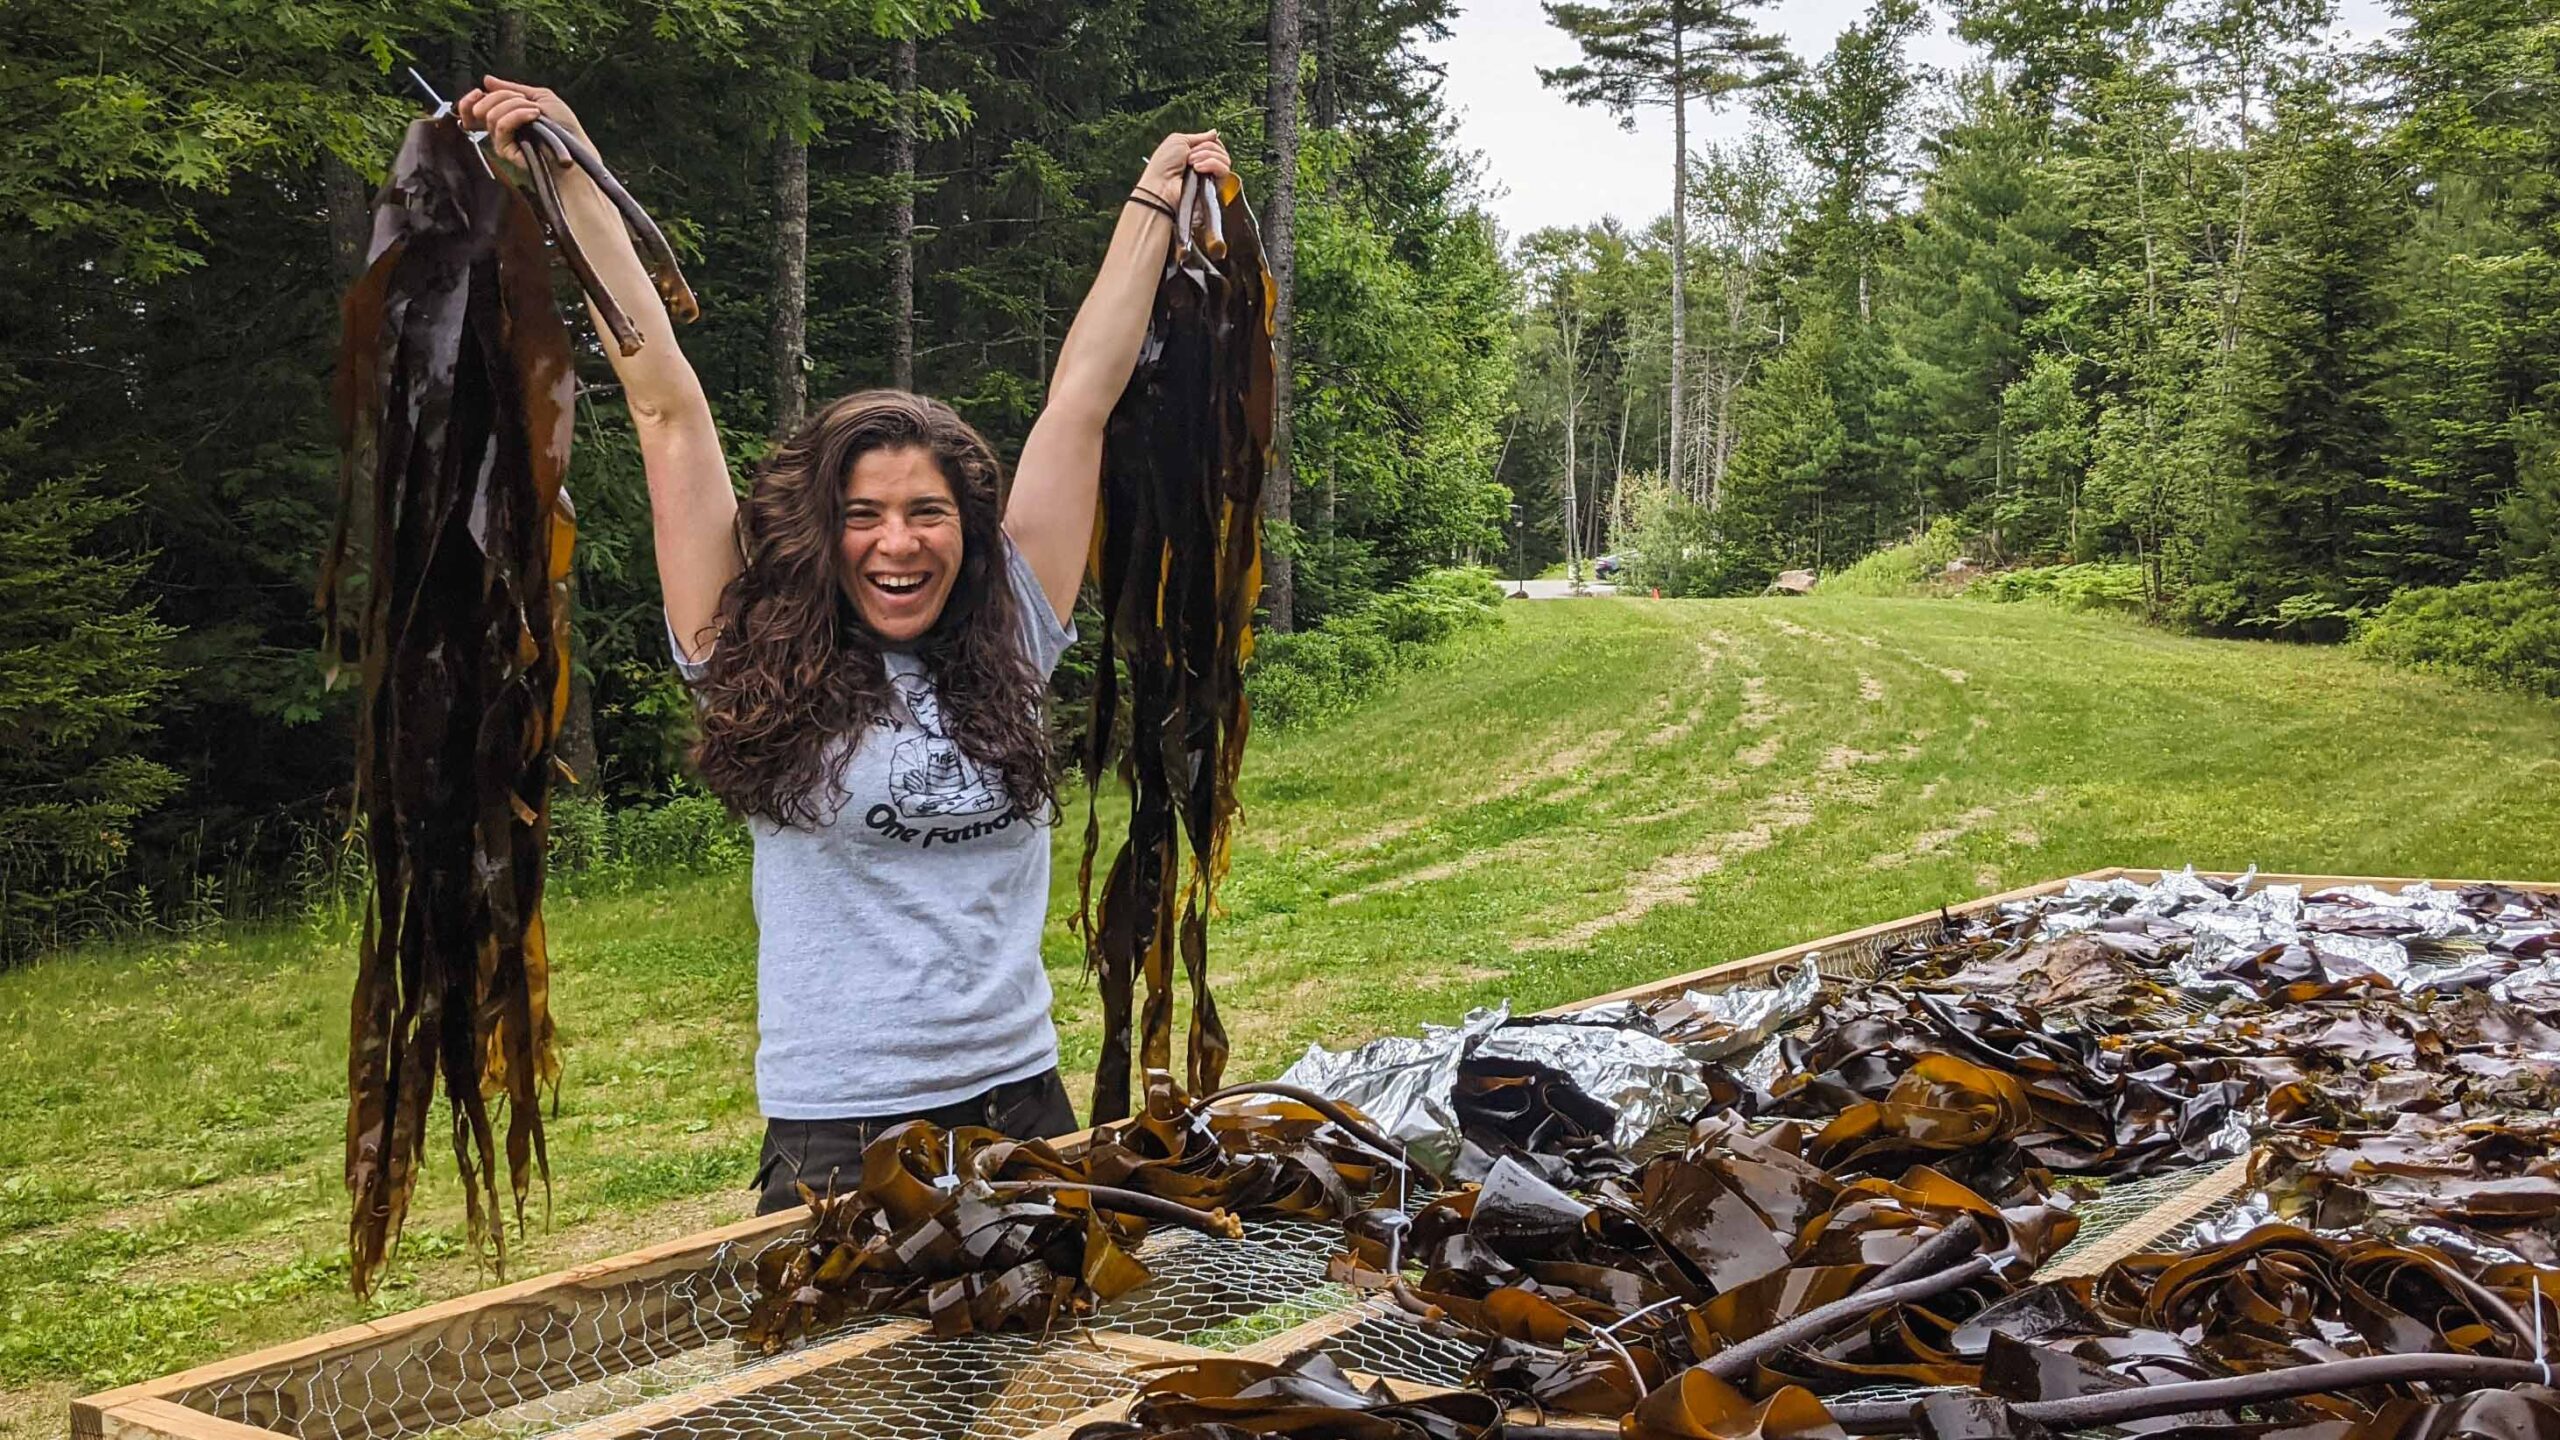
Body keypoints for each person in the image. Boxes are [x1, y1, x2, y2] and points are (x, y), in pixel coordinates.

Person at [455, 78, 1232, 1215]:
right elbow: (665, 401)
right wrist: (568, 163)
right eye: (862, 515)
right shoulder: (744, 642)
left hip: (1024, 1105)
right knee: (844, 1401)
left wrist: (1152, 206)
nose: (896, 542)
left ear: (967, 529)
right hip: (843, 1129)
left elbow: (1081, 402)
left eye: (926, 513)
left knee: (1034, 1394)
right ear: (822, 532)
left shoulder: (1013, 627)